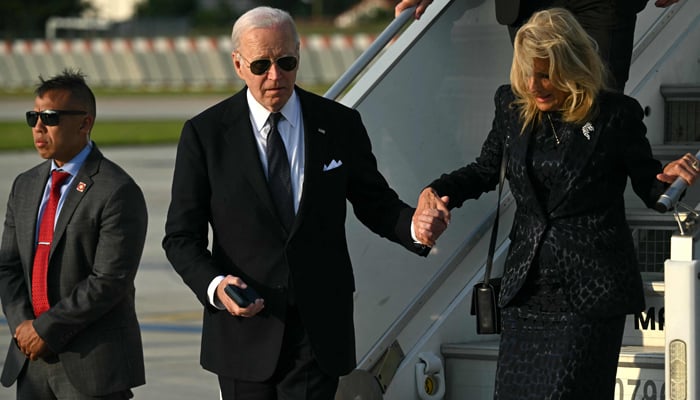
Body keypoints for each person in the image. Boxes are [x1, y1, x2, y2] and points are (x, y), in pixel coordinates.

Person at [412, 8, 698, 399]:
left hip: (590, 295)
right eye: (527, 72)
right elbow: (483, 170)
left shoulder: (616, 115)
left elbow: (649, 185)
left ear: (572, 66)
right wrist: (437, 189)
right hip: (527, 294)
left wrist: (667, 178)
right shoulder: (511, 107)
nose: (534, 84)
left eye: (546, 74)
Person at [162, 6, 444, 400]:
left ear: (299, 55)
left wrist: (415, 226)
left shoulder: (339, 123)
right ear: (238, 65)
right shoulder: (204, 135)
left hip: (318, 334)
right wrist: (215, 285)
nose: (275, 76)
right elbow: (180, 237)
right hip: (244, 331)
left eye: (286, 62)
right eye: (261, 65)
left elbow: (375, 202)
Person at [0, 69, 148, 399]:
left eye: (50, 117)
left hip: (91, 365)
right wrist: (24, 327)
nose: (38, 127)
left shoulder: (117, 190)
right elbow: (8, 267)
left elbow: (109, 281)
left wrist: (45, 329)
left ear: (84, 124)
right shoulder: (24, 186)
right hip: (32, 360)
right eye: (33, 116)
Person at [395, 0, 681, 91]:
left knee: (601, 108)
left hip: (601, 3)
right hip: (530, 3)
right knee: (537, 110)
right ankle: (541, 230)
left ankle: (597, 227)